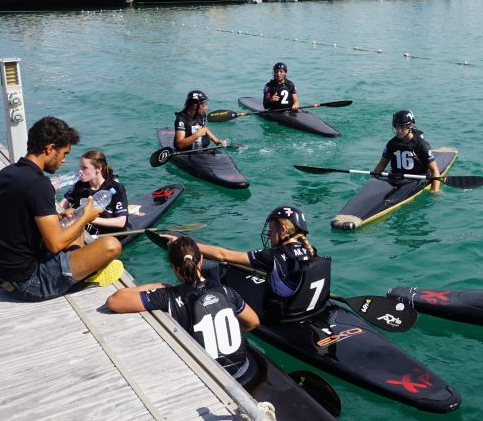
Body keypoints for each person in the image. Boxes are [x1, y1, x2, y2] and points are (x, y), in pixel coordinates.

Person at [0, 116, 122, 302]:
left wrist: (57, 217)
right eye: (64, 153)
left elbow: (16, 219)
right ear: (50, 149)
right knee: (111, 245)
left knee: (72, 226)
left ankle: (78, 264)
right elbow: (55, 244)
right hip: (28, 283)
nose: (64, 161)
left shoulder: (4, 174)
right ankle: (86, 274)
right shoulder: (39, 184)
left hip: (2, 273)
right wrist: (87, 216)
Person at [106, 236, 260, 384]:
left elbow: (114, 301)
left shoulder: (168, 296)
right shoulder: (226, 291)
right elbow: (253, 322)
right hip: (243, 370)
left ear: (172, 266)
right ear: (201, 260)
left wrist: (160, 285)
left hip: (211, 378)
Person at [162, 206, 331, 322]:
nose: (269, 233)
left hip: (282, 316)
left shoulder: (272, 256)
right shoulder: (310, 250)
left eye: (271, 229)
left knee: (220, 272)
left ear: (283, 230)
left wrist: (186, 245)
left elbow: (223, 255)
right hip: (311, 308)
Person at [59, 149, 129, 237]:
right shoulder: (79, 186)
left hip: (109, 236)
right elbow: (61, 206)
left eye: (84, 168)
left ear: (98, 168)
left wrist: (87, 218)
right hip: (85, 234)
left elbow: (121, 222)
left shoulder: (116, 188)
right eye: (80, 167)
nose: (80, 171)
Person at [370, 110, 440, 192]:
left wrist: (434, 191)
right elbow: (381, 166)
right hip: (396, 177)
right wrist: (372, 182)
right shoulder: (392, 143)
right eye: (396, 126)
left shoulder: (421, 144)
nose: (399, 130)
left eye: (402, 127)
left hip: (417, 176)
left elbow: (434, 171)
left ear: (411, 125)